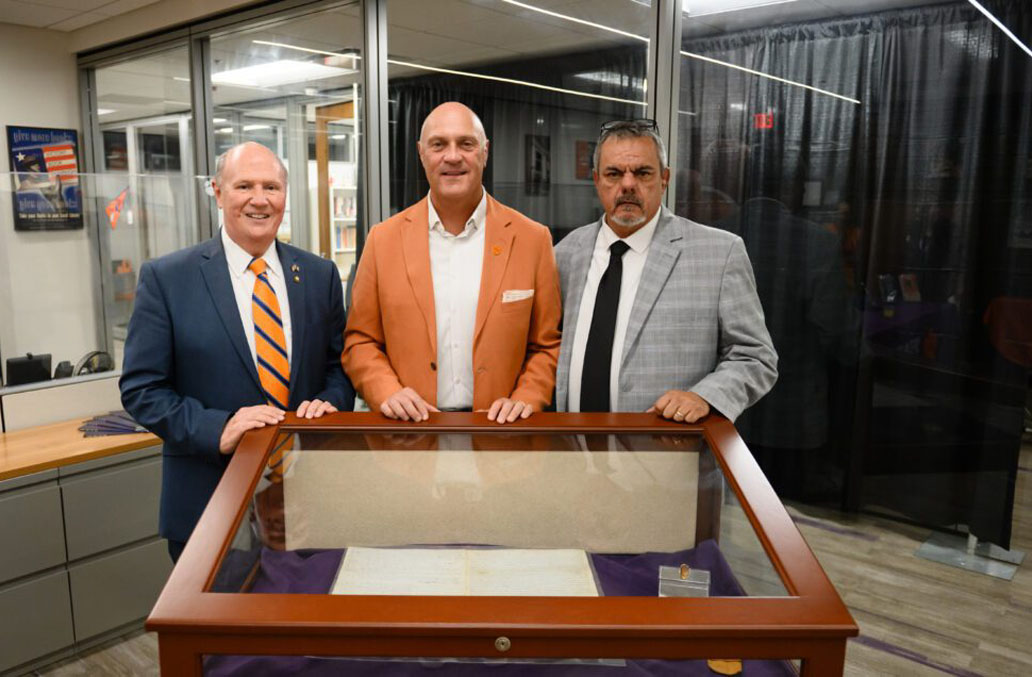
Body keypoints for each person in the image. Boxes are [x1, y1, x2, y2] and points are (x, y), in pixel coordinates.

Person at [120, 141, 355, 562]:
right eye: (244, 186)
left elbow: (340, 368)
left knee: (308, 620)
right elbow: (142, 388)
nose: (260, 200)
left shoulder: (319, 276)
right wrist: (218, 428)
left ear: (286, 195)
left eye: (272, 187)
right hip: (209, 499)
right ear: (218, 191)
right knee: (219, 627)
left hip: (308, 501)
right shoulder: (168, 278)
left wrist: (329, 401)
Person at [343, 102, 561, 423]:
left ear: (485, 152)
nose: (453, 156)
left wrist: (526, 397)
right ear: (421, 153)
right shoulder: (382, 240)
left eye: (466, 144)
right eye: (439, 144)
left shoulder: (533, 240)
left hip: (502, 434)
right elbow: (360, 341)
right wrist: (386, 390)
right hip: (410, 434)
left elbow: (547, 346)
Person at [554, 119, 777, 423]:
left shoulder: (719, 253)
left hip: (671, 455)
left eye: (643, 172)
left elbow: (755, 357)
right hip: (572, 453)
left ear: (664, 179)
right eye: (614, 173)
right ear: (596, 180)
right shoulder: (564, 254)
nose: (628, 184)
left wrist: (705, 396)